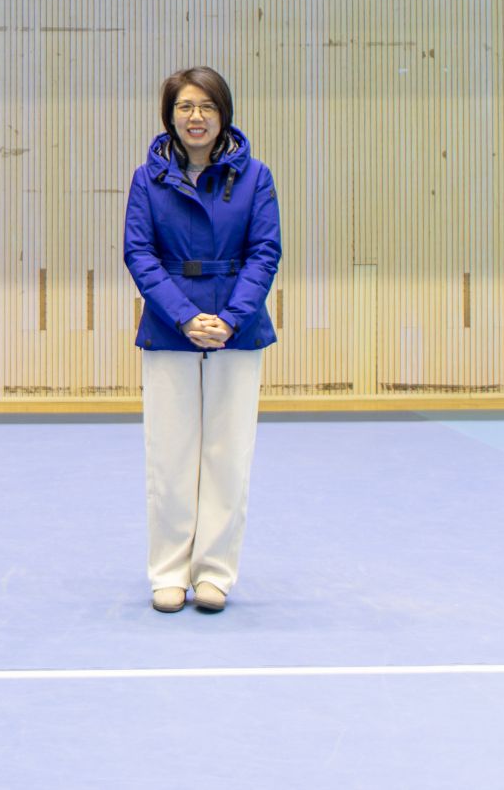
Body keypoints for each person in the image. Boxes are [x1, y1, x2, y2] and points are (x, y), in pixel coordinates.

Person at [122, 66, 282, 616]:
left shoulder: (256, 177)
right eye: (186, 107)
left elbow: (265, 252)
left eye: (207, 107)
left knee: (227, 455)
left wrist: (231, 319)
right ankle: (168, 572)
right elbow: (139, 253)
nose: (197, 117)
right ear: (169, 115)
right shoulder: (147, 179)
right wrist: (185, 316)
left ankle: (214, 571)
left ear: (223, 114)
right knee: (169, 457)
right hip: (170, 330)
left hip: (238, 332)